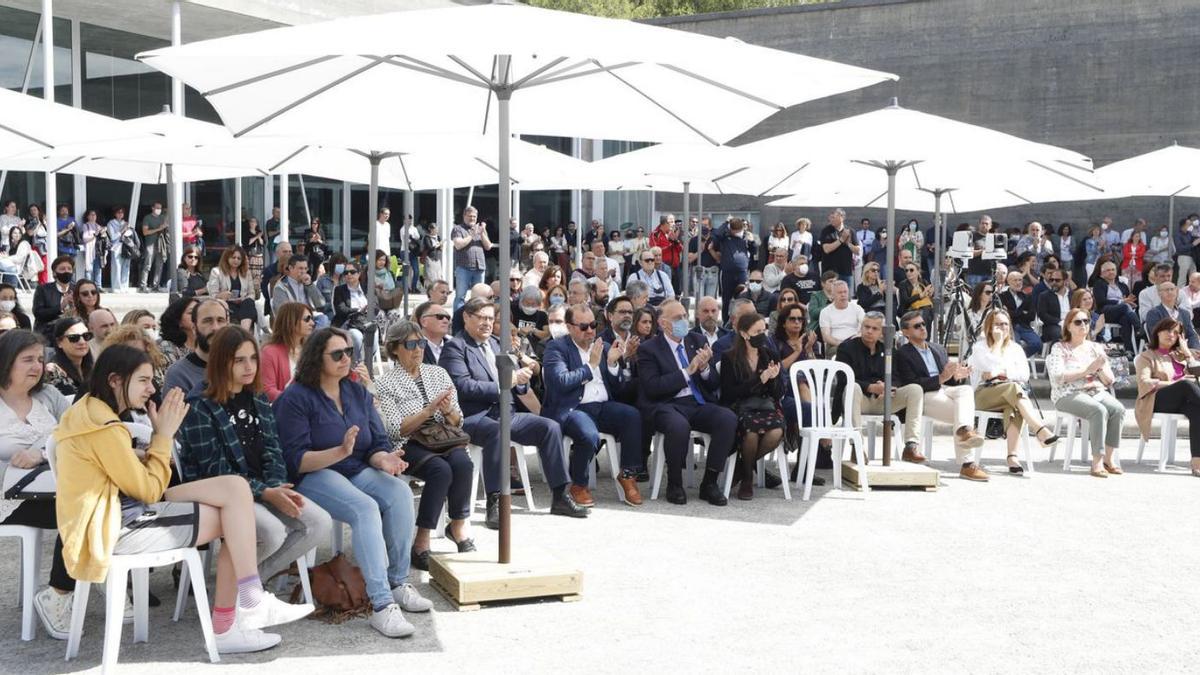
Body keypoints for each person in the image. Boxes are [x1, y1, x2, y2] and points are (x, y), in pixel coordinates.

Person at [55, 345, 314, 653]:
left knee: (235, 490)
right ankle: (234, 619)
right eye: (143, 380)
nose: (152, 389)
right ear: (115, 380)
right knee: (239, 519)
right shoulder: (103, 428)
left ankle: (247, 602)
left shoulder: (88, 411)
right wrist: (162, 436)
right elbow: (149, 490)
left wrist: (148, 448)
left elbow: (121, 469)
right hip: (119, 528)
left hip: (116, 512)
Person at [273, 328, 432, 636]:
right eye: (337, 354)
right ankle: (382, 604)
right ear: (315, 358)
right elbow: (296, 460)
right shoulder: (296, 398)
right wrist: (340, 451)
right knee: (365, 508)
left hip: (355, 468)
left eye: (349, 352)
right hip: (312, 475)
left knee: (399, 492)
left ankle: (397, 582)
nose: (346, 358)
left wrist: (383, 458)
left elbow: (375, 442)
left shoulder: (356, 391)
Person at [177, 325, 332, 584]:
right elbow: (214, 470)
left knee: (320, 523)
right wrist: (266, 492)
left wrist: (275, 486)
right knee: (272, 532)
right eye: (239, 360)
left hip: (263, 487)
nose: (249, 367)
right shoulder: (200, 405)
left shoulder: (256, 395)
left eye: (252, 358)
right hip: (223, 495)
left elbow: (273, 447)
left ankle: (249, 587)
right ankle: (242, 595)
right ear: (220, 362)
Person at [439, 298, 586, 528]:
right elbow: (463, 386)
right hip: (475, 417)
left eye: (490, 318)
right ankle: (495, 501)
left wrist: (522, 381)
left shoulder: (498, 344)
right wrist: (507, 382)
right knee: (496, 432)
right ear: (467, 317)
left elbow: (516, 385)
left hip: (507, 413)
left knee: (549, 427)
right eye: (482, 318)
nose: (488, 323)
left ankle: (560, 495)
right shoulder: (455, 347)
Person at [374, 321, 475, 569]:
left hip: (443, 437)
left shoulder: (437, 373)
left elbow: (458, 420)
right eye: (411, 344)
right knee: (440, 470)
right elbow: (395, 428)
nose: (418, 349)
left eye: (420, 343)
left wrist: (448, 409)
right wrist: (427, 410)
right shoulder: (386, 383)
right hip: (409, 442)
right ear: (395, 348)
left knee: (463, 463)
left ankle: (458, 526)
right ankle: (422, 540)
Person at [0, 330, 77, 639]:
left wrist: (42, 453)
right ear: (6, 362)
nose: (37, 366)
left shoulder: (49, 397)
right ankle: (61, 594)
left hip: (54, 487)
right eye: (27, 359)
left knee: (93, 504)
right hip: (7, 498)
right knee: (80, 511)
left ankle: (68, 590)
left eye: (40, 360)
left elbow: (77, 434)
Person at [635, 299, 736, 506]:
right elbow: (653, 387)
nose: (684, 321)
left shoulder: (696, 340)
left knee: (727, 418)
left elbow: (713, 384)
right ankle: (674, 483)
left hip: (697, 403)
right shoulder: (649, 349)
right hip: (666, 404)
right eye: (678, 318)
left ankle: (709, 482)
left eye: (684, 316)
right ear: (663, 323)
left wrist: (706, 368)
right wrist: (687, 372)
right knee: (678, 426)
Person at [542, 303, 644, 507]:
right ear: (570, 327)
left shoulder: (603, 346)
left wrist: (614, 364)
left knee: (632, 416)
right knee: (589, 436)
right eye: (583, 327)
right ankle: (579, 484)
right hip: (573, 407)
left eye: (593, 325)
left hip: (603, 405)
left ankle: (627, 474)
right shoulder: (557, 348)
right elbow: (560, 382)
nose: (590, 330)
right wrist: (591, 366)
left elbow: (617, 388)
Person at [894, 311, 987, 479]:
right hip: (923, 395)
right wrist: (942, 378)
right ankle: (967, 464)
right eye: (917, 326)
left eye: (923, 324)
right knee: (963, 416)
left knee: (965, 390)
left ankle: (965, 431)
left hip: (945, 390)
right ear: (906, 332)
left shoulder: (938, 349)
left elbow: (949, 380)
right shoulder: (902, 354)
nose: (923, 328)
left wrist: (957, 376)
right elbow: (911, 384)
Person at [967, 310, 1059, 473]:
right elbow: (987, 367)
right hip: (984, 394)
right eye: (997, 324)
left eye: (1005, 324)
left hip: (1010, 392)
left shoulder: (1015, 348)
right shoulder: (979, 347)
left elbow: (1023, 375)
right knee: (1015, 390)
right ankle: (1039, 429)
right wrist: (996, 343)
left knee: (1015, 404)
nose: (1002, 328)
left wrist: (1001, 373)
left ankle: (1012, 458)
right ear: (989, 327)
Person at [837, 311, 926, 461]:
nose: (869, 331)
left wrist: (889, 386)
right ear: (861, 327)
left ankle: (911, 445)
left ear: (882, 332)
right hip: (858, 401)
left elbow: (898, 377)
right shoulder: (846, 348)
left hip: (884, 399)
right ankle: (857, 447)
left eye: (874, 328)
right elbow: (843, 378)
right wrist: (870, 387)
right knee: (853, 388)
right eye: (866, 327)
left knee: (915, 390)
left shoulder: (889, 351)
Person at [1046, 308, 1124, 477]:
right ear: (1068, 326)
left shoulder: (1095, 347)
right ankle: (1097, 461)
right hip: (1067, 393)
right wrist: (1087, 370)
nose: (1083, 325)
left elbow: (1109, 380)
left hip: (1096, 390)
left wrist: (1100, 368)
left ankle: (1108, 459)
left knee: (1118, 409)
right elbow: (1058, 377)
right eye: (1078, 322)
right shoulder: (1060, 348)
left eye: (1086, 321)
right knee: (1098, 410)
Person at [718, 312, 784, 500]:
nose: (762, 335)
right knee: (751, 431)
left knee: (776, 431)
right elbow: (729, 393)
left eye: (764, 330)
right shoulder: (729, 357)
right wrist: (759, 379)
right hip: (741, 406)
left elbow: (778, 393)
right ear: (744, 334)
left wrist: (772, 380)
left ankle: (741, 467)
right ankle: (747, 478)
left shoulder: (770, 354)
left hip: (766, 406)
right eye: (757, 331)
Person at [1135, 318, 1200, 477]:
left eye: (1176, 332)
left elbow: (1198, 373)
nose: (1171, 335)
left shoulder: (1180, 355)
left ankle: (1197, 461)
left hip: (1184, 400)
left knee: (1196, 411)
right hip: (1156, 400)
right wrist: (1175, 383)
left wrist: (1186, 352)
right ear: (1157, 332)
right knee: (1185, 385)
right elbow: (1145, 383)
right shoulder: (1147, 356)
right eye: (1168, 330)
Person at [164, 298, 230, 397]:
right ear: (194, 328)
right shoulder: (179, 374)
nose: (215, 327)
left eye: (220, 320)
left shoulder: (238, 365)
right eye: (208, 321)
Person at [262, 302, 316, 401]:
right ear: (290, 321)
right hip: (287, 409)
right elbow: (267, 390)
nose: (312, 323)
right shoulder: (269, 352)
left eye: (312, 318)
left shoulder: (310, 350)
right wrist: (295, 401)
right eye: (307, 319)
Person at [1090, 260, 1139, 353]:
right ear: (1101, 274)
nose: (1111, 272)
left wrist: (1131, 303)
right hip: (1105, 313)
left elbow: (1128, 299)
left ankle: (1129, 350)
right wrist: (1121, 301)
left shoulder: (1122, 285)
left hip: (1121, 313)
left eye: (1113, 269)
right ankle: (1138, 328)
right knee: (1124, 307)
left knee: (1125, 318)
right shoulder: (1099, 284)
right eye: (1108, 270)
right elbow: (1101, 302)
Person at [332, 260, 375, 366]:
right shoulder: (339, 290)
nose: (349, 275)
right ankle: (359, 366)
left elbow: (376, 306)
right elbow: (341, 309)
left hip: (366, 321)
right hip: (349, 323)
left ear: (359, 273)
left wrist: (368, 309)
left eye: (352, 272)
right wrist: (358, 310)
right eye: (346, 273)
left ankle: (368, 363)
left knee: (373, 334)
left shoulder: (367, 288)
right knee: (356, 336)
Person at [202, 246, 253, 331]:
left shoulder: (246, 273)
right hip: (226, 303)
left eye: (239, 258)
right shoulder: (216, 272)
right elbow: (213, 295)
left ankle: (245, 331)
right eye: (233, 257)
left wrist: (243, 299)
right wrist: (221, 295)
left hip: (242, 304)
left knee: (249, 302)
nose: (236, 260)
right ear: (227, 257)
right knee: (246, 310)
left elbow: (252, 293)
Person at [709, 217, 751, 318]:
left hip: (742, 273)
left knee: (742, 298)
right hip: (727, 273)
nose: (737, 232)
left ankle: (742, 319)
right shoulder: (724, 237)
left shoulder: (746, 237)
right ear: (731, 229)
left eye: (739, 230)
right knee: (726, 299)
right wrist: (726, 222)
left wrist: (752, 241)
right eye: (735, 230)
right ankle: (725, 321)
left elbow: (755, 248)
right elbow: (716, 234)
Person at [451, 206, 492, 310]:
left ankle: (477, 317)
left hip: (479, 267)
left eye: (474, 216)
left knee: (480, 297)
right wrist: (472, 235)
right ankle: (457, 320)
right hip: (464, 267)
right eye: (470, 216)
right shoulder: (458, 229)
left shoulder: (480, 230)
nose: (472, 218)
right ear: (464, 216)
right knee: (460, 296)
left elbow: (488, 246)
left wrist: (482, 233)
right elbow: (458, 244)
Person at [44, 317, 93, 399]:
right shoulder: (52, 371)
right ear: (59, 342)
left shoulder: (93, 367)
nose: (82, 342)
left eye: (86, 336)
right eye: (73, 338)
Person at [1143, 282, 1200, 352]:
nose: (1169, 292)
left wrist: (1194, 350)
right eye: (1166, 290)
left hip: (1187, 351)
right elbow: (1157, 336)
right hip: (1165, 353)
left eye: (1172, 289)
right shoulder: (1153, 313)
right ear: (1159, 294)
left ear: (1177, 292)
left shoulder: (1185, 313)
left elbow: (1192, 335)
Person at [997, 270, 1042, 357]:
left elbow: (1031, 316)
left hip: (1024, 326)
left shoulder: (1027, 297)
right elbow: (1003, 315)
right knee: (1014, 344)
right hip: (1010, 327)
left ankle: (1019, 358)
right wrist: (1022, 312)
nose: (1018, 283)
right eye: (1015, 280)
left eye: (1020, 280)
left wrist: (1012, 312)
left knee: (1037, 343)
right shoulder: (1002, 296)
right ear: (1008, 281)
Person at [33, 255, 75, 342]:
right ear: (54, 273)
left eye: (69, 269)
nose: (66, 271)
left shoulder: (76, 289)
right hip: (48, 334)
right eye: (62, 269)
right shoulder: (43, 289)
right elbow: (38, 313)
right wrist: (61, 307)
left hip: (73, 333)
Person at [818, 280, 864, 354]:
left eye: (845, 292)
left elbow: (865, 327)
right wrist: (843, 344)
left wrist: (857, 338)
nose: (843, 295)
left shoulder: (857, 308)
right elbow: (826, 336)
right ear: (832, 295)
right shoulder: (825, 312)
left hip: (855, 343)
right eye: (840, 292)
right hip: (835, 346)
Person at [817, 208, 859, 286]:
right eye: (830, 217)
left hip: (846, 271)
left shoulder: (850, 231)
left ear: (842, 217)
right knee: (830, 297)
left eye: (833, 217)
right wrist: (841, 240)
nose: (831, 219)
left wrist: (848, 244)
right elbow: (826, 249)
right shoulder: (826, 231)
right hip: (829, 272)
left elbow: (857, 251)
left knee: (845, 296)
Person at [158, 296, 197, 368]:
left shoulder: (209, 346)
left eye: (200, 312)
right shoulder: (166, 347)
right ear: (178, 320)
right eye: (191, 312)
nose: (197, 316)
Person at [137, 202, 167, 292]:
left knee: (159, 266)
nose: (159, 210)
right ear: (152, 208)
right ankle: (143, 285)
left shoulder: (162, 218)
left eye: (160, 208)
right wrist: (159, 229)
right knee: (147, 265)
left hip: (161, 245)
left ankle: (156, 286)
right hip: (150, 244)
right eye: (157, 208)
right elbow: (145, 232)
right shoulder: (147, 218)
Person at [1036, 267, 1071, 344]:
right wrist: (1060, 322)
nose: (1054, 282)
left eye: (1057, 280)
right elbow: (1042, 314)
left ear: (1065, 281)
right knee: (1058, 333)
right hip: (1053, 325)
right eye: (1051, 280)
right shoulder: (1044, 296)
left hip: (1072, 323)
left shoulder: (1073, 294)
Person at [259, 241, 292, 321]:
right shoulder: (269, 271)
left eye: (290, 251)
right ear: (277, 254)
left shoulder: (298, 269)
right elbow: (266, 293)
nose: (288, 254)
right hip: (275, 308)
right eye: (285, 251)